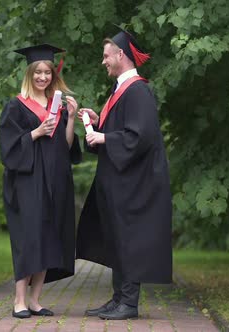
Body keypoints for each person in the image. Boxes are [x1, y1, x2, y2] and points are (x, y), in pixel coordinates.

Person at [75, 28, 172, 320]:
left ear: (121, 55)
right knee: (117, 237)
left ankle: (128, 303)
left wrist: (105, 138)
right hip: (119, 180)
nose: (103, 61)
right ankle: (118, 298)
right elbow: (123, 131)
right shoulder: (120, 91)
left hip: (135, 183)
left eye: (106, 56)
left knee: (129, 238)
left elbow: (141, 136)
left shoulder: (137, 90)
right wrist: (98, 124)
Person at [0, 44, 81, 319]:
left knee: (48, 236)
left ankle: (35, 299)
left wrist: (70, 118)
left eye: (47, 72)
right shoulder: (16, 107)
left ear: (52, 76)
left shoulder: (58, 107)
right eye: (38, 72)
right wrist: (35, 132)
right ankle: (19, 300)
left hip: (55, 180)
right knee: (29, 237)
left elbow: (66, 147)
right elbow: (8, 149)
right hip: (27, 182)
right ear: (29, 74)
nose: (43, 77)